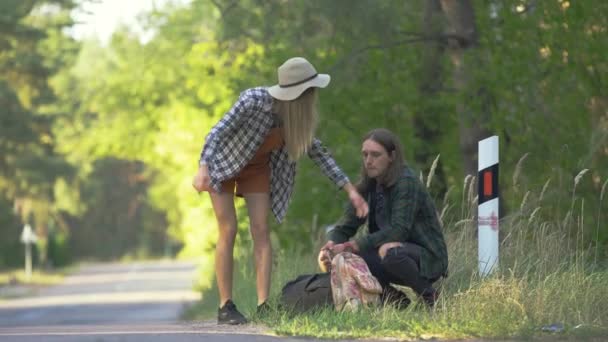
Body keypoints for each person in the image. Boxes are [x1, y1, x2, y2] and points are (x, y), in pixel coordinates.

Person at [192, 57, 369, 325]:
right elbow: (216, 131)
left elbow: (320, 154)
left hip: (256, 169)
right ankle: (225, 305)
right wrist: (203, 167)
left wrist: (351, 191)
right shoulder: (253, 100)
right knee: (228, 229)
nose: (313, 97)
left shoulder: (295, 120)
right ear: (298, 92)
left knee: (261, 230)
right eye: (309, 91)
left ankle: (264, 305)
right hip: (222, 164)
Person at [318, 128, 448, 308]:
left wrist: (353, 245)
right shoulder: (368, 184)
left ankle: (431, 298)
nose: (368, 161)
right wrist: (331, 246)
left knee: (389, 251)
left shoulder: (406, 182)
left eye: (375, 155)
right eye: (365, 155)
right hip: (387, 252)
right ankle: (394, 300)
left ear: (392, 156)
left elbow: (399, 230)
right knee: (346, 258)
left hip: (426, 258)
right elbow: (345, 226)